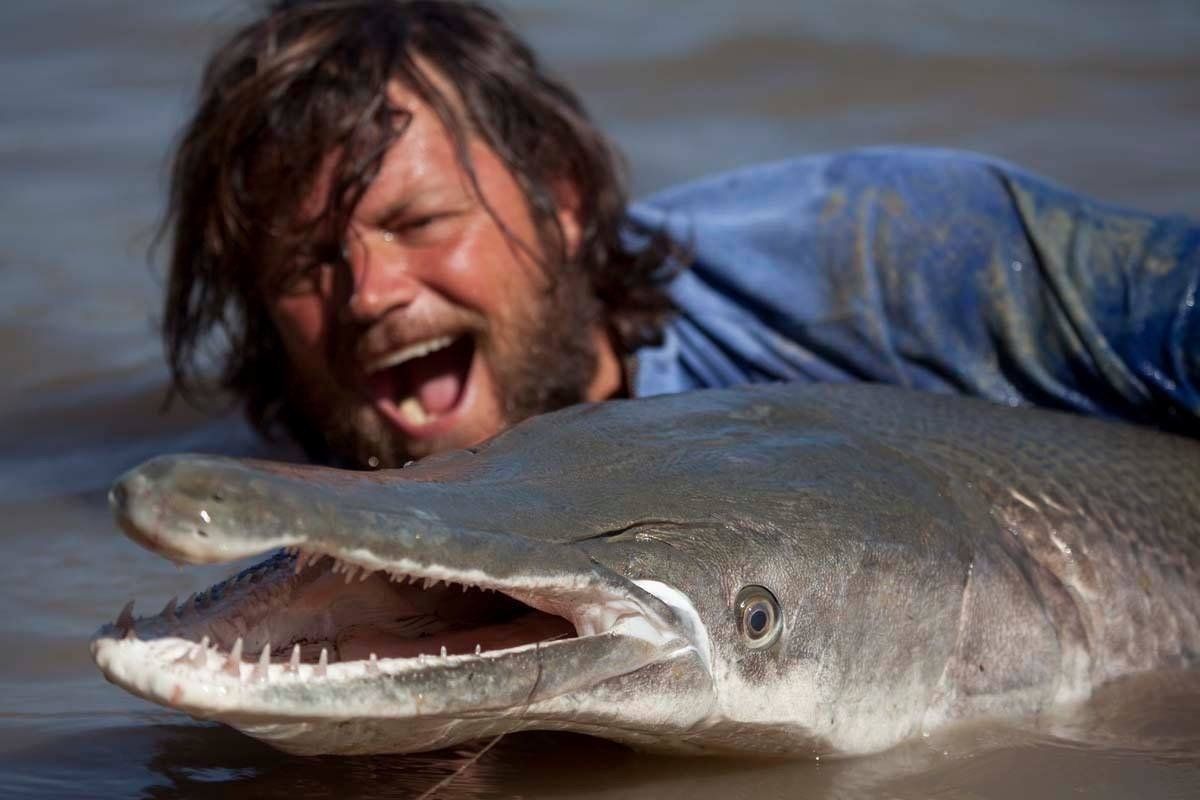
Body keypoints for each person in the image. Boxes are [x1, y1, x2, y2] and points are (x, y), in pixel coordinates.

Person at [161, 0, 1200, 470]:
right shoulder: (309, 449)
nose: (371, 292)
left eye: (419, 221)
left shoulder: (885, 253)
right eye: (305, 263)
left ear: (560, 198)